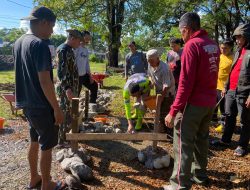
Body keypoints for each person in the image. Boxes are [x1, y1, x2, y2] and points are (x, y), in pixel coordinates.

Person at [164, 12, 220, 190]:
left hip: (193, 104)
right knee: (202, 139)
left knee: (182, 143)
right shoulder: (213, 45)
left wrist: (173, 111)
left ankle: (179, 184)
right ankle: (200, 176)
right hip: (210, 102)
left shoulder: (192, 46)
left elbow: (185, 83)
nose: (181, 36)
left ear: (187, 30)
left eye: (181, 32)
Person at [14, 6, 64, 190]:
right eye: (51, 26)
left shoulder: (19, 42)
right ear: (43, 22)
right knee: (47, 145)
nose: (52, 30)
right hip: (41, 105)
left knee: (34, 142)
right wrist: (57, 109)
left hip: (26, 103)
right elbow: (45, 81)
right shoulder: (40, 45)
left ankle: (34, 178)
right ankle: (47, 184)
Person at [211, 24, 250, 157]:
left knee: (245, 120)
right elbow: (232, 71)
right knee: (228, 115)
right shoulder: (238, 51)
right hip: (231, 90)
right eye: (237, 38)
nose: (238, 40)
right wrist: (226, 87)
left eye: (241, 37)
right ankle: (226, 140)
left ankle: (242, 145)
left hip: (244, 91)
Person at [56, 29, 82, 146]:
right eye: (79, 41)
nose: (79, 44)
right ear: (72, 38)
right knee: (64, 112)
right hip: (66, 89)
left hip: (71, 87)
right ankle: (62, 140)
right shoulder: (63, 50)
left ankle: (67, 135)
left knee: (69, 112)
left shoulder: (69, 49)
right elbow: (61, 72)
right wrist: (67, 88)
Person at [147, 49, 175, 134]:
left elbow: (165, 87)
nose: (150, 63)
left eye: (152, 61)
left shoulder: (164, 68)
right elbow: (150, 75)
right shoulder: (150, 65)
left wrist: (160, 99)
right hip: (158, 90)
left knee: (165, 113)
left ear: (158, 58)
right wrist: (151, 82)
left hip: (167, 93)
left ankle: (170, 133)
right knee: (159, 112)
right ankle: (162, 130)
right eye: (149, 61)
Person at [213, 39, 234, 130]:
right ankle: (214, 121)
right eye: (221, 48)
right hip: (216, 85)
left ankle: (223, 125)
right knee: (214, 105)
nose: (223, 50)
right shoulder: (219, 56)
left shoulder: (233, 58)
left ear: (231, 48)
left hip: (226, 88)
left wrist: (227, 87)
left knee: (223, 108)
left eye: (225, 48)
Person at [74, 30, 98, 103]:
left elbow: (87, 64)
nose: (88, 40)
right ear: (82, 37)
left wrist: (90, 76)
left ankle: (92, 104)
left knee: (94, 86)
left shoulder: (86, 50)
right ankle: (73, 112)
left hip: (84, 75)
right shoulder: (76, 48)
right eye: (87, 38)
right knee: (76, 95)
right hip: (76, 76)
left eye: (89, 38)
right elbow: (73, 62)